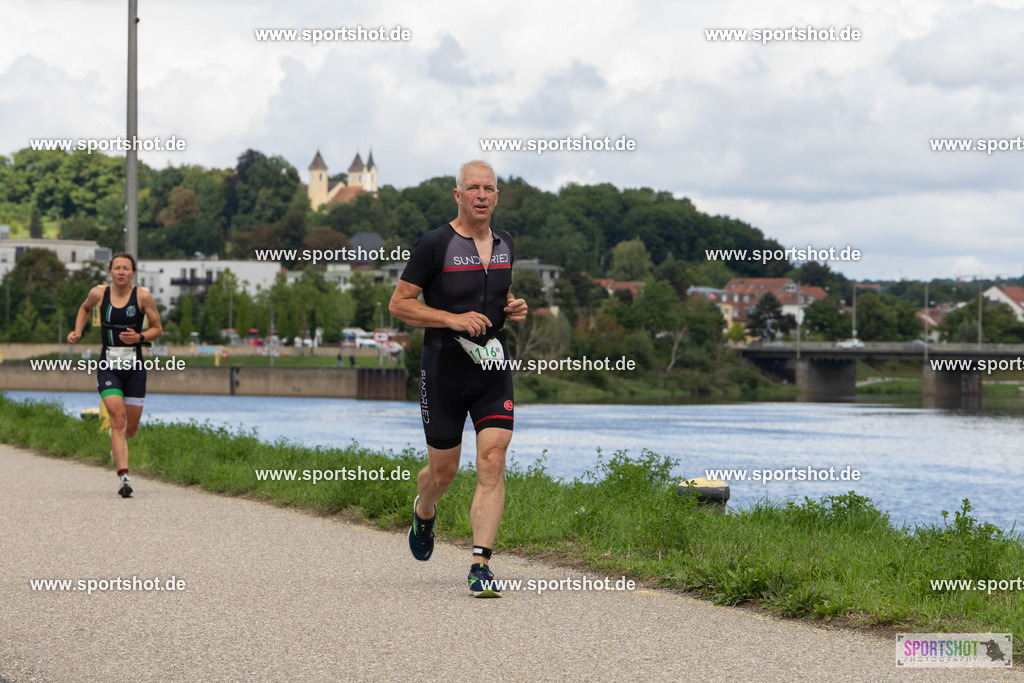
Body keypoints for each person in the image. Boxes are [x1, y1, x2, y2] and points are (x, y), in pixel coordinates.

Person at [389, 160, 527, 597]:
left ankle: (480, 564)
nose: (481, 195)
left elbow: (495, 292)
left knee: (492, 460)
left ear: (497, 196)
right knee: (443, 472)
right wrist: (451, 318)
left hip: (491, 368)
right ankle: (424, 509)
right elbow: (400, 304)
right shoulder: (435, 243)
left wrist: (512, 307)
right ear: (458, 195)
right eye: (473, 188)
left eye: (489, 188)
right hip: (443, 368)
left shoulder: (505, 243)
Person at [67, 253, 162, 497]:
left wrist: (140, 337)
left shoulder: (142, 296)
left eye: (126, 268)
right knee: (118, 420)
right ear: (110, 272)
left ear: (133, 273)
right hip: (108, 366)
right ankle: (124, 478)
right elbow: (84, 308)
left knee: (129, 429)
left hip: (135, 368)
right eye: (117, 268)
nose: (121, 272)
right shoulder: (99, 293)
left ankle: (117, 444)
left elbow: (157, 328)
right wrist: (77, 330)